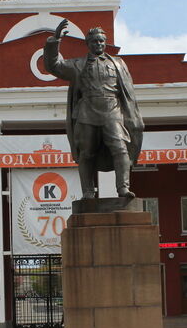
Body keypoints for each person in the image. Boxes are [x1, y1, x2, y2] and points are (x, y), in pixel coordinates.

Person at [44, 19, 143, 200]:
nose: (98, 44)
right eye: (95, 41)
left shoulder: (118, 64)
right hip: (87, 111)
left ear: (105, 43)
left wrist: (133, 117)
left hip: (112, 110)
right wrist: (55, 40)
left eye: (101, 41)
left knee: (120, 149)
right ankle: (88, 192)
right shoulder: (78, 64)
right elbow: (53, 66)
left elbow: (127, 94)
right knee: (86, 153)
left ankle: (123, 188)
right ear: (88, 44)